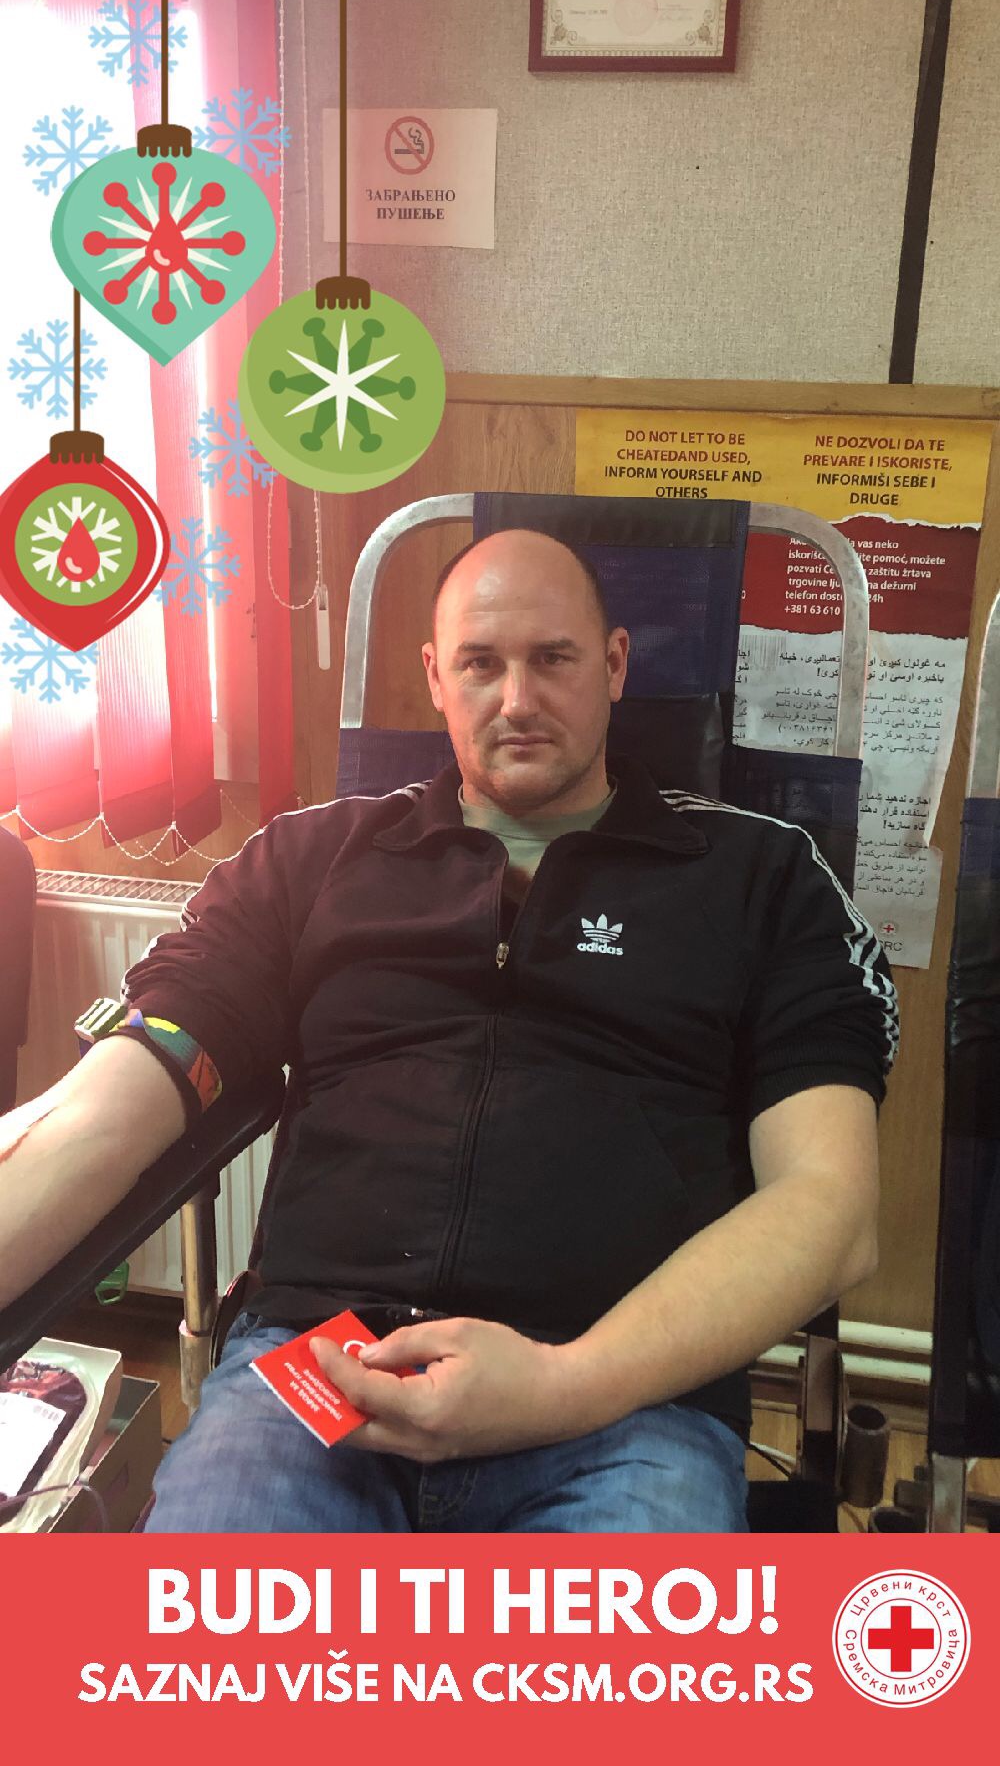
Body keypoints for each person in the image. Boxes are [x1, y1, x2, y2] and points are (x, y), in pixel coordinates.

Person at [0, 529, 898, 1532]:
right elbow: (119, 1097)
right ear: (435, 676)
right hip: (320, 1373)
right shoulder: (310, 860)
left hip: (626, 1402)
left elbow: (830, 1203)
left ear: (613, 666)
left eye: (552, 658)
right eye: (480, 663)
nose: (516, 699)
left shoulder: (762, 881)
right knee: (211, 1635)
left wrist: (564, 1383)